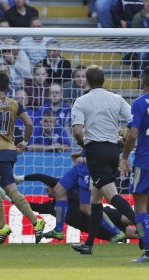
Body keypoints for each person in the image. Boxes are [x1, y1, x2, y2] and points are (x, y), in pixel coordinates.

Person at [71, 65, 137, 254]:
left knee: (112, 195)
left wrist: (84, 144)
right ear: (104, 80)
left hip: (96, 151)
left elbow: (77, 131)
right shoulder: (116, 99)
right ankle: (89, 244)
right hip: (113, 150)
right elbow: (133, 120)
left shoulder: (82, 101)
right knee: (96, 199)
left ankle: (144, 230)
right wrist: (123, 138)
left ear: (87, 81)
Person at [0, 71, 45, 246]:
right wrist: (25, 142)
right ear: (7, 87)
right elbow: (29, 123)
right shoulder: (15, 104)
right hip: (10, 151)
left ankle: (37, 222)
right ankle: (3, 226)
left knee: (12, 191)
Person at [1, 173, 138, 242]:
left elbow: (42, 177)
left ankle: (145, 227)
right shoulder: (51, 206)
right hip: (92, 228)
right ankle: (145, 236)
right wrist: (7, 198)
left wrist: (21, 178)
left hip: (101, 215)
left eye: (48, 187)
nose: (45, 189)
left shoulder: (68, 191)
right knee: (129, 233)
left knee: (128, 219)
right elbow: (28, 207)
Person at [120, 66, 149, 262]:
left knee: (140, 208)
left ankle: (147, 252)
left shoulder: (139, 103)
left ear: (144, 79)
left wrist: (124, 156)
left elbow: (132, 135)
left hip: (144, 160)